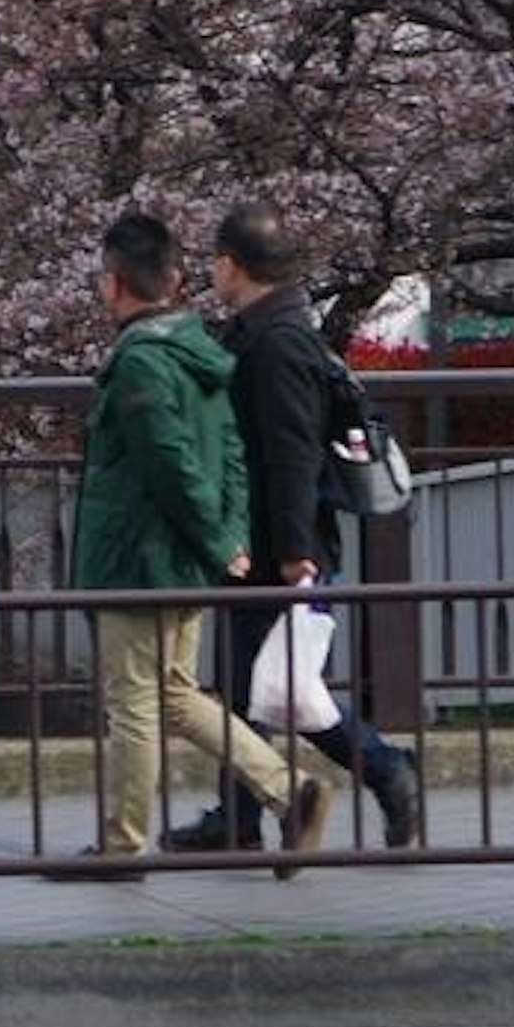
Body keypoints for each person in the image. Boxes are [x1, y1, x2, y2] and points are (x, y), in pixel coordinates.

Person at [52, 211, 327, 880]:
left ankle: (123, 847)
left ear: (113, 284)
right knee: (175, 695)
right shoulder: (204, 350)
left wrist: (212, 534)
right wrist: (227, 536)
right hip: (187, 555)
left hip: (137, 560)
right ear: (175, 280)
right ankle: (290, 791)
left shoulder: (141, 362)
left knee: (134, 704)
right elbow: (230, 450)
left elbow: (167, 461)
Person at [165, 201, 423, 855]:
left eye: (216, 264)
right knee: (257, 687)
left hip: (279, 544)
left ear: (232, 265)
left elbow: (290, 455)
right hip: (269, 539)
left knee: (283, 692)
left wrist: (295, 553)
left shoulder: (276, 343)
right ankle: (240, 816)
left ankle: (388, 770)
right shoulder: (276, 330)